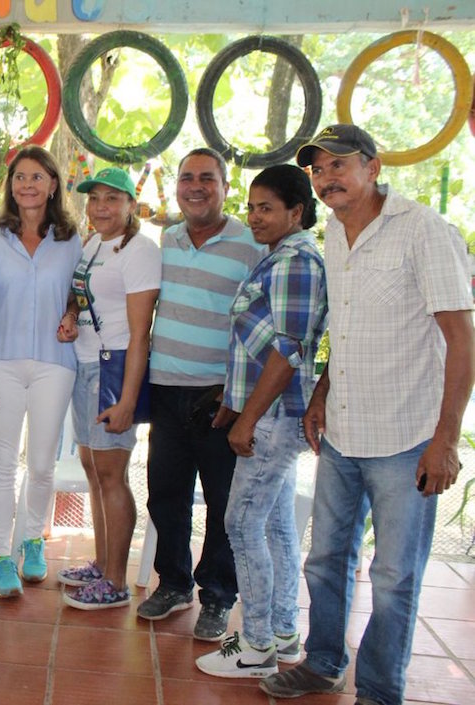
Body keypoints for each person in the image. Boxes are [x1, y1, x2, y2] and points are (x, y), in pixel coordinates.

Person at [261, 125, 474, 705]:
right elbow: (345, 327)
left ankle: (380, 691)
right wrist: (323, 393)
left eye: (339, 165)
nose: (327, 178)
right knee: (326, 559)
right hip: (344, 433)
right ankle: (323, 662)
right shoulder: (332, 231)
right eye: (318, 169)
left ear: (373, 167)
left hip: (407, 437)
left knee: (394, 577)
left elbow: (462, 340)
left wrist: (446, 440)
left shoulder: (425, 232)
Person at [194, 164, 327, 677]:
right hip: (265, 411)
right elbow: (256, 343)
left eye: (266, 207)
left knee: (241, 523)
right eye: (250, 207)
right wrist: (234, 402)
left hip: (272, 417)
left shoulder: (298, 262)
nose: (254, 217)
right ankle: (282, 634)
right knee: (273, 526)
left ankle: (254, 646)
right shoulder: (280, 257)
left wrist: (246, 420)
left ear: (296, 211)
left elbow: (287, 350)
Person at [137, 148, 264, 640]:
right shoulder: (164, 241)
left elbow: (263, 326)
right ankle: (173, 584)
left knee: (221, 502)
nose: (195, 186)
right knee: (165, 496)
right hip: (166, 392)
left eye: (206, 179)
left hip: (221, 397)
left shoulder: (251, 244)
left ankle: (216, 597)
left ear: (226, 187)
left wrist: (239, 396)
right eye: (187, 178)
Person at [0, 146, 82, 598]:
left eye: (37, 177)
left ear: (53, 184)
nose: (28, 185)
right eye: (20, 177)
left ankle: (32, 541)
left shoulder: (72, 237)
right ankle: (0, 557)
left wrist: (72, 312)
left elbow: (78, 292)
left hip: (55, 364)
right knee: (0, 465)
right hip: (1, 361)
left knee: (40, 465)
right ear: (10, 186)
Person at [56, 167, 160, 610]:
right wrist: (68, 314)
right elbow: (81, 295)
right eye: (94, 198)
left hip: (113, 370)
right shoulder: (94, 242)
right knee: (94, 470)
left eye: (111, 199)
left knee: (112, 475)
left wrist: (128, 400)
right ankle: (102, 564)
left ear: (130, 204)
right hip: (84, 364)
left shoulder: (140, 251)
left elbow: (141, 334)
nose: (100, 207)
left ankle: (115, 581)